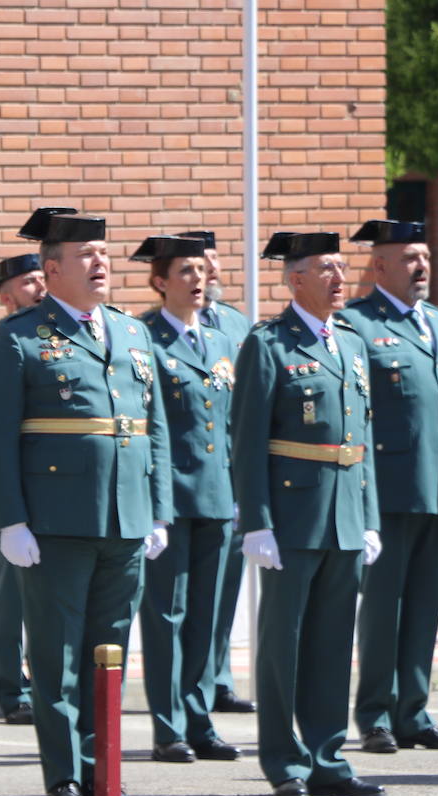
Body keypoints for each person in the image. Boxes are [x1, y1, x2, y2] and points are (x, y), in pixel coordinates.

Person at [0, 209, 171, 796]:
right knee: (57, 656)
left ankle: (103, 775)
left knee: (108, 655)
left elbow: (154, 429)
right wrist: (10, 519)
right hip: (56, 523)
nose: (100, 262)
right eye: (86, 254)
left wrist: (157, 509)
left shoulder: (132, 333)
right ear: (52, 268)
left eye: (103, 252)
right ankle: (63, 777)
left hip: (125, 520)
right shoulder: (19, 337)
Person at [232, 231, 383, 796]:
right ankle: (283, 759)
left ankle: (327, 756)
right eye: (327, 269)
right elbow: (247, 441)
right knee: (283, 644)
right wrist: (257, 521)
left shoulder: (351, 341)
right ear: (296, 279)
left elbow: (360, 435)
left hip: (343, 512)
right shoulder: (269, 344)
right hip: (292, 515)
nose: (340, 278)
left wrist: (367, 515)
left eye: (343, 267)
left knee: (330, 642)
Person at [342, 219, 438, 753]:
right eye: (409, 258)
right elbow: (356, 414)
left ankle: (413, 712)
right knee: (383, 608)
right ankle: (374, 712)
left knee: (424, 606)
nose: (421, 266)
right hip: (389, 490)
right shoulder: (356, 324)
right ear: (379, 267)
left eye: (424, 256)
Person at [131, 235, 240, 765]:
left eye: (201, 269)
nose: (198, 279)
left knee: (206, 616)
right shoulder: (145, 339)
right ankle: (167, 725)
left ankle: (200, 719)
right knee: (166, 616)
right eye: (185, 271)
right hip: (172, 498)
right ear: (159, 282)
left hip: (218, 495)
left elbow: (230, 422)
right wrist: (154, 507)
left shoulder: (218, 342)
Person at [181, 229, 256, 715]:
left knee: (226, 586)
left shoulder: (236, 323)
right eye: (196, 263)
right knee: (188, 592)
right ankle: (190, 682)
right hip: (190, 476)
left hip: (230, 472)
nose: (207, 272)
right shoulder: (164, 327)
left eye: (211, 260)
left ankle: (219, 675)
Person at [0, 252, 45, 725]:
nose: (39, 288)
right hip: (7, 488)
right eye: (28, 282)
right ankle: (9, 685)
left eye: (43, 278)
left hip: (53, 486)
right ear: (6, 297)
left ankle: (46, 683)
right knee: (9, 592)